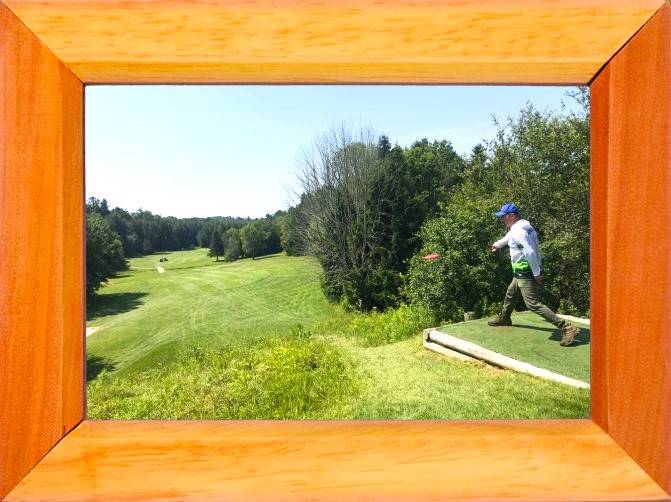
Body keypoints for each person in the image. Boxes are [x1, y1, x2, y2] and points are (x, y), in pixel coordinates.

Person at [487, 202, 580, 347]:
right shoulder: (523, 226)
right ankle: (504, 318)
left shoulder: (517, 231)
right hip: (521, 271)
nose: (501, 219)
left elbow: (529, 252)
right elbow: (509, 237)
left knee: (533, 304)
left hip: (526, 271)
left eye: (503, 217)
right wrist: (497, 244)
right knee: (511, 293)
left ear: (512, 216)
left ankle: (567, 328)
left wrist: (537, 273)